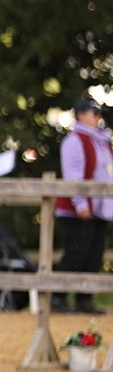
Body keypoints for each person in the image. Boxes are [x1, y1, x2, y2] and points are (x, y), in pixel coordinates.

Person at [51, 99, 113, 314]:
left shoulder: (103, 142)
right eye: (92, 112)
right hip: (77, 210)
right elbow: (73, 175)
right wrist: (80, 203)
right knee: (75, 253)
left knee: (94, 256)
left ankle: (84, 299)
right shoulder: (75, 140)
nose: (97, 117)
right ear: (80, 115)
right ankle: (58, 298)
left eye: (98, 113)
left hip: (100, 209)